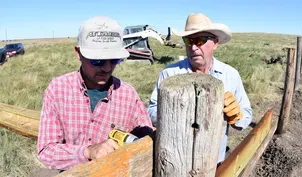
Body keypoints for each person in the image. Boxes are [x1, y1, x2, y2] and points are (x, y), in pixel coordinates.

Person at [36, 16, 153, 173]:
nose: (106, 68)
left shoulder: (127, 94)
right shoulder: (58, 90)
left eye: (113, 60)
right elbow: (46, 151)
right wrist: (88, 152)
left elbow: (148, 142)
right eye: (97, 61)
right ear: (79, 53)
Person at [147, 13, 253, 164]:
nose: (194, 47)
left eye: (200, 40)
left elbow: (247, 116)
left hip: (214, 160)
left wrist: (236, 117)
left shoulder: (230, 75)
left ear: (215, 43)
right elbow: (151, 111)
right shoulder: (169, 74)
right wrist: (173, 113)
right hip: (176, 160)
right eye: (189, 41)